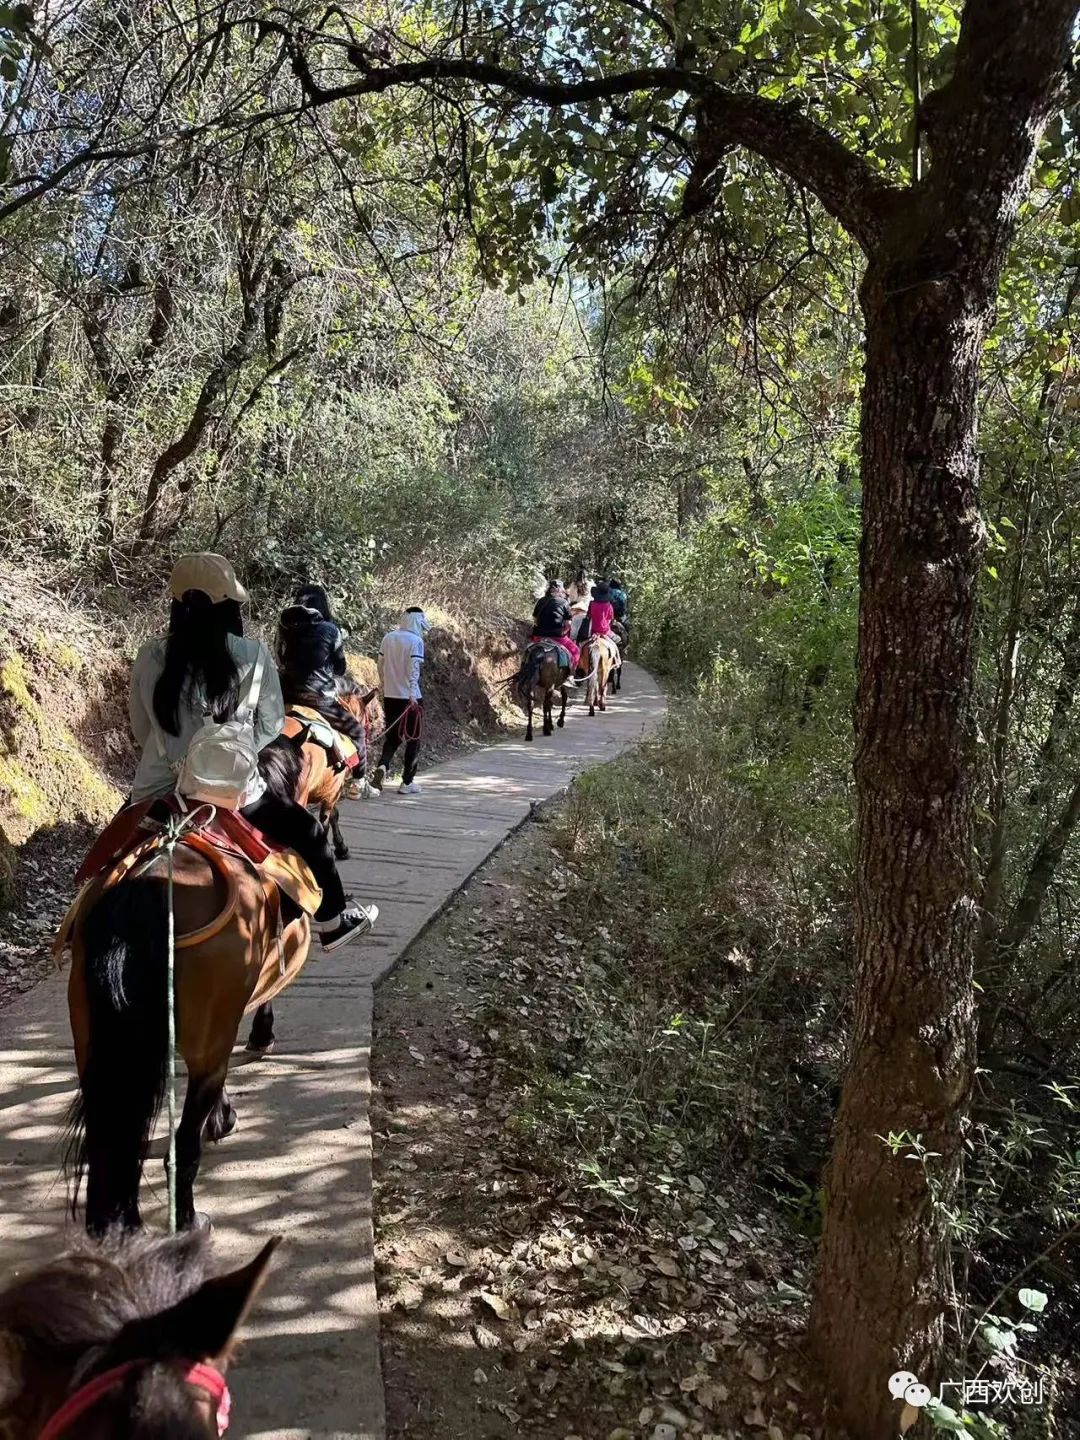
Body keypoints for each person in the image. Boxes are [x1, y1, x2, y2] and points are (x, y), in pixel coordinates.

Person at [128, 554, 378, 952]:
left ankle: (77, 923)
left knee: (110, 854)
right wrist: (233, 752)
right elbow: (271, 723)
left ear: (176, 602)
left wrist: (175, 762)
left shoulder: (150, 654)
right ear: (229, 605)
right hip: (235, 789)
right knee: (311, 834)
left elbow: (142, 726)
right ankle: (332, 922)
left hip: (159, 787)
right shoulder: (251, 653)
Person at [277, 583, 370, 759]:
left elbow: (279, 658)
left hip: (283, 693)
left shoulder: (284, 626)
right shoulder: (330, 629)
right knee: (358, 732)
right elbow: (340, 668)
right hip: (318, 698)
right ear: (323, 604)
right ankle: (360, 774)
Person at [372, 607, 429, 795]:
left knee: (393, 737)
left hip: (391, 695)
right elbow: (414, 669)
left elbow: (380, 665)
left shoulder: (388, 638)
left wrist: (384, 684)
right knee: (414, 739)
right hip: (411, 699)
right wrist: (412, 693)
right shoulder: (416, 641)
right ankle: (407, 782)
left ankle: (383, 765)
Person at [532, 580, 580, 670]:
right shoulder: (564, 602)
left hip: (539, 636)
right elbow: (568, 624)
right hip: (557, 636)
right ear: (560, 590)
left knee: (528, 651)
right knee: (576, 651)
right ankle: (572, 674)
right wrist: (564, 632)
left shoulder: (541, 600)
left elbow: (535, 620)